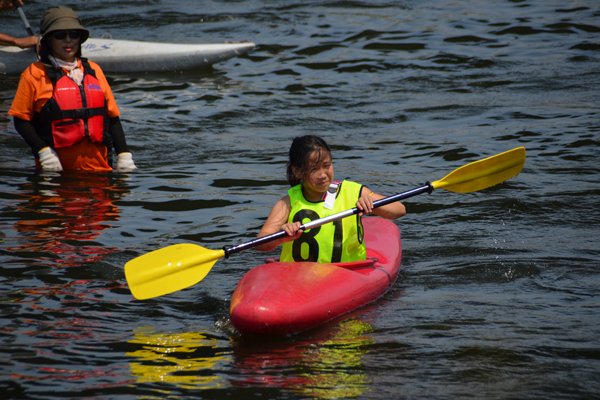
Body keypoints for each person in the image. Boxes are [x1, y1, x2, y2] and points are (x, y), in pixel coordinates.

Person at [8, 6, 136, 172]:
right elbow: (21, 120)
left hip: (101, 174)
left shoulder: (94, 70)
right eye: (60, 35)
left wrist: (124, 154)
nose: (68, 40)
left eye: (73, 34)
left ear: (80, 38)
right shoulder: (33, 74)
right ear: (48, 39)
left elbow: (112, 118)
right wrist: (43, 151)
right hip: (56, 175)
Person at [255, 135, 406, 263]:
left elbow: (399, 210)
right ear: (297, 171)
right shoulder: (287, 203)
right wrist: (281, 236)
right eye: (314, 169)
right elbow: (260, 244)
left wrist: (371, 203)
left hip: (348, 273)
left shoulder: (353, 192)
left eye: (327, 165)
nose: (323, 174)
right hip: (299, 278)